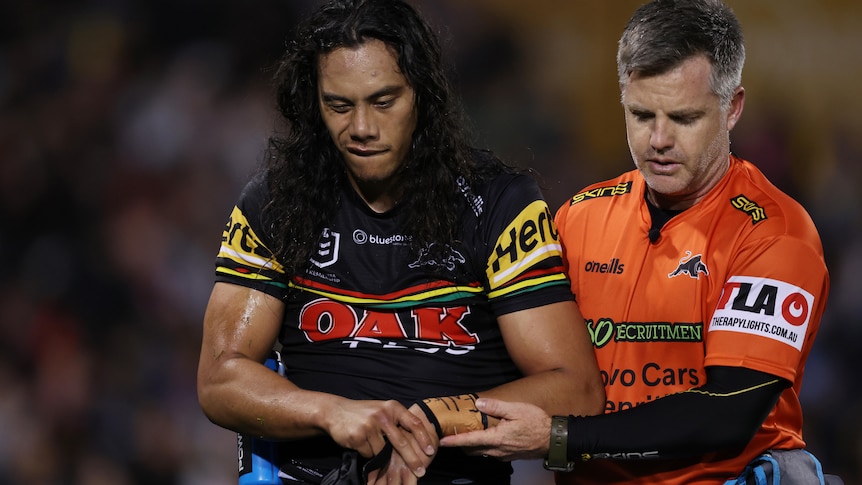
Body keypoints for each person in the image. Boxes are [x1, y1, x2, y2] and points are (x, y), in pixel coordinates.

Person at [195, 0, 605, 484]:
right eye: (339, 106)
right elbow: (221, 377)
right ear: (314, 103)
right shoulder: (275, 203)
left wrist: (430, 423)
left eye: (384, 101)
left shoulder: (500, 206)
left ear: (422, 96)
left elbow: (576, 389)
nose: (362, 128)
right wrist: (332, 412)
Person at [440, 0, 834, 484]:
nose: (659, 140)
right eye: (642, 114)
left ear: (732, 109)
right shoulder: (578, 217)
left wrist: (561, 437)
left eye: (684, 118)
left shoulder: (776, 233)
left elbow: (729, 410)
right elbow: (503, 358)